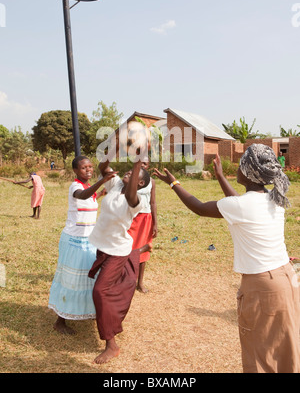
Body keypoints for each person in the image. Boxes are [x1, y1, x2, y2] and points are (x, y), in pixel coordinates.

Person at [154, 144, 300, 373]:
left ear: (249, 172)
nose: (238, 169)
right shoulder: (275, 198)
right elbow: (238, 204)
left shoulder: (241, 206)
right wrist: (220, 176)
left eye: (241, 164)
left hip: (262, 285)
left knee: (259, 355)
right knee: (285, 349)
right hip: (287, 279)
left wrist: (173, 183)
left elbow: (199, 207)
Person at [88, 154, 152, 365]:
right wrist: (109, 154)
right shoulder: (116, 186)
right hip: (103, 245)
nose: (127, 173)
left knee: (100, 291)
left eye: (133, 174)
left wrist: (136, 165)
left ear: (140, 182)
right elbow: (102, 167)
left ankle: (111, 345)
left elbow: (132, 193)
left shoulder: (137, 200)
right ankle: (109, 320)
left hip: (117, 251)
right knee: (105, 291)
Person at [48, 156, 116, 335]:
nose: (89, 170)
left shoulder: (88, 188)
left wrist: (101, 194)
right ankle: (60, 321)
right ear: (76, 171)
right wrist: (102, 181)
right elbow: (82, 196)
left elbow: (91, 197)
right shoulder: (76, 186)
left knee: (88, 278)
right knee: (71, 280)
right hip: (74, 241)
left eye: (91, 167)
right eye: (84, 168)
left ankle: (85, 311)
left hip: (89, 240)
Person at [128, 160, 157, 293]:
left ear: (148, 166)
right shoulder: (129, 178)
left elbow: (153, 203)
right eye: (140, 163)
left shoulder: (152, 182)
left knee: (144, 251)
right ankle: (127, 281)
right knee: (128, 249)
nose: (142, 166)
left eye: (145, 164)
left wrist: (155, 223)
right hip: (131, 218)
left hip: (146, 219)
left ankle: (140, 283)